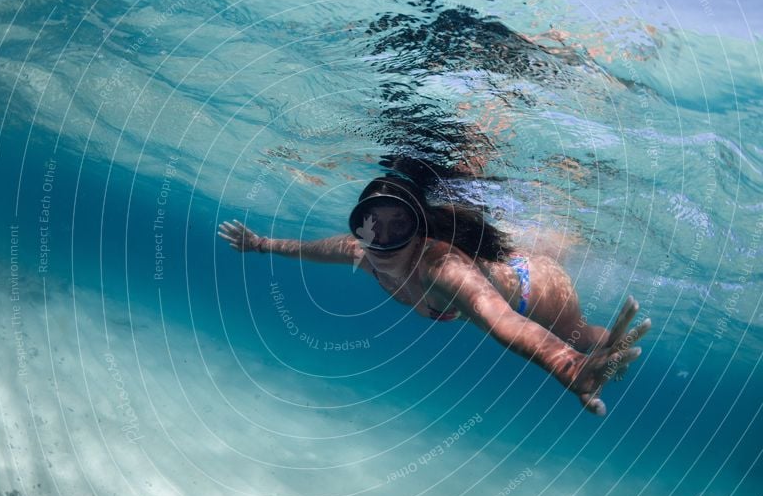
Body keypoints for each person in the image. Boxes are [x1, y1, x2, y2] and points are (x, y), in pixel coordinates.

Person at [218, 176, 650, 416]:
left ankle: (605, 346)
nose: (381, 242)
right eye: (370, 225)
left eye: (398, 226)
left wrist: (568, 362)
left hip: (533, 290)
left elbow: (500, 318)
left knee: (576, 335)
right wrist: (259, 244)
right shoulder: (360, 251)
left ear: (419, 229)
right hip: (508, 264)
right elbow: (308, 250)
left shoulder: (440, 268)